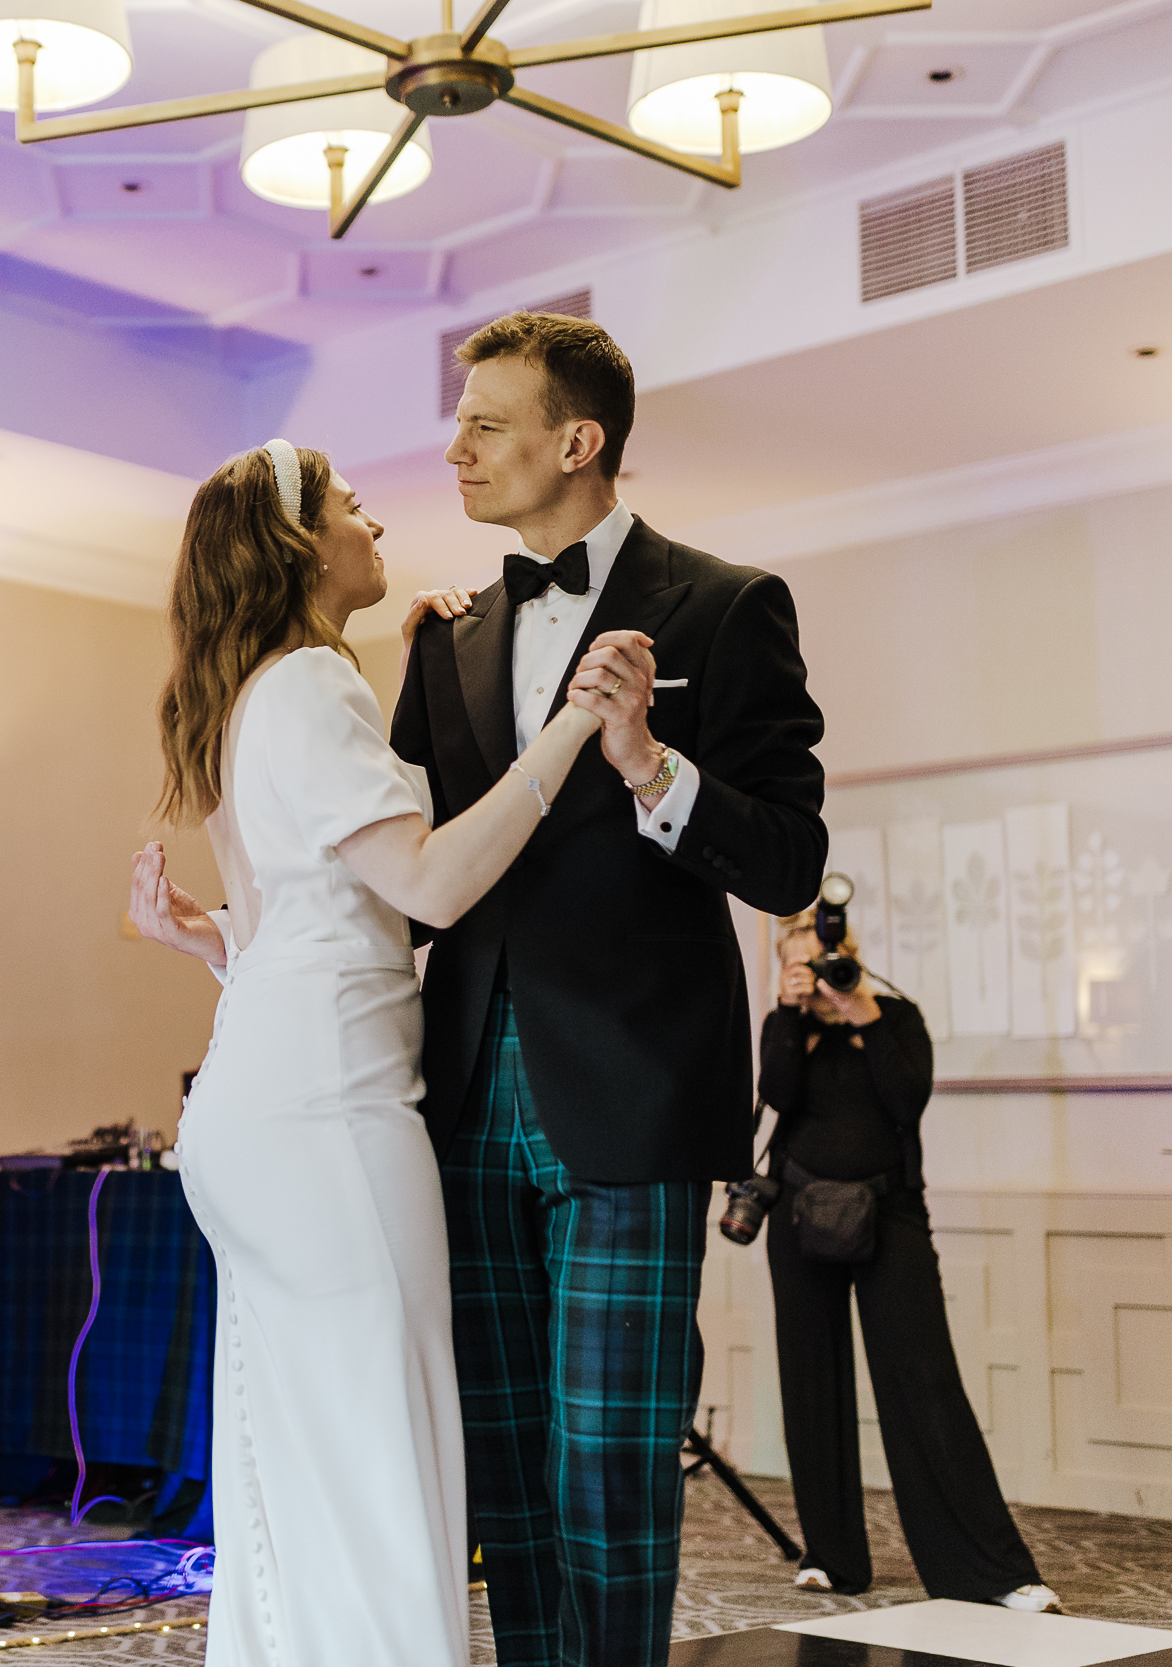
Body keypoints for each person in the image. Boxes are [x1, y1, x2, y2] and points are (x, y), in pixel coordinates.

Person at [127, 438, 620, 1667]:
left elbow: (302, 923)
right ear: (302, 542)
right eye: (353, 507)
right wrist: (570, 727)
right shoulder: (307, 684)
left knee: (294, 1458)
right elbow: (430, 886)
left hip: (256, 1101)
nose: (377, 527)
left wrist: (204, 937)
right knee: (382, 1450)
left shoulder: (257, 695)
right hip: (329, 1115)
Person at [390, 311, 828, 1667]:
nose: (454, 449)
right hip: (464, 1090)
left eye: (486, 424)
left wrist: (649, 763)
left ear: (577, 441)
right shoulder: (445, 636)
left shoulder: (726, 603)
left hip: (635, 1088)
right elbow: (409, 867)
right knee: (507, 1460)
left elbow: (788, 855)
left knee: (608, 1459)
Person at [761, 911, 1059, 1612]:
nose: (820, 977)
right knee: (811, 1382)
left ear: (853, 956)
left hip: (889, 1211)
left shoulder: (895, 1016)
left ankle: (989, 1571)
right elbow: (779, 1093)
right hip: (799, 1211)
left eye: (829, 961)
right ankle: (830, 1555)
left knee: (925, 1381)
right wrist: (789, 1013)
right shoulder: (785, 1025)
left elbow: (906, 1098)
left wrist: (860, 1012)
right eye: (802, 965)